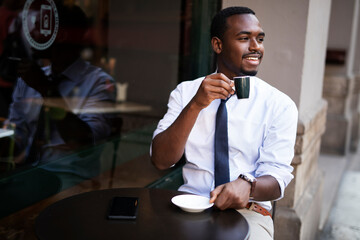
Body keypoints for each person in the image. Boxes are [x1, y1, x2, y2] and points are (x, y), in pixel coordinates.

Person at [150, 6, 298, 240]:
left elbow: (278, 179)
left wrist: (247, 186)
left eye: (259, 39)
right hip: (190, 207)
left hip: (250, 212)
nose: (256, 47)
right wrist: (196, 104)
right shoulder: (185, 93)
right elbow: (160, 160)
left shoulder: (280, 105)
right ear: (218, 45)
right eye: (244, 38)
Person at [0, 4, 116, 187]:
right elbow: (18, 136)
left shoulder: (98, 83)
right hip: (26, 175)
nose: (33, 34)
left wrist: (46, 90)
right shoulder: (30, 78)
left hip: (69, 180)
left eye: (42, 27)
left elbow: (84, 144)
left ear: (60, 35)